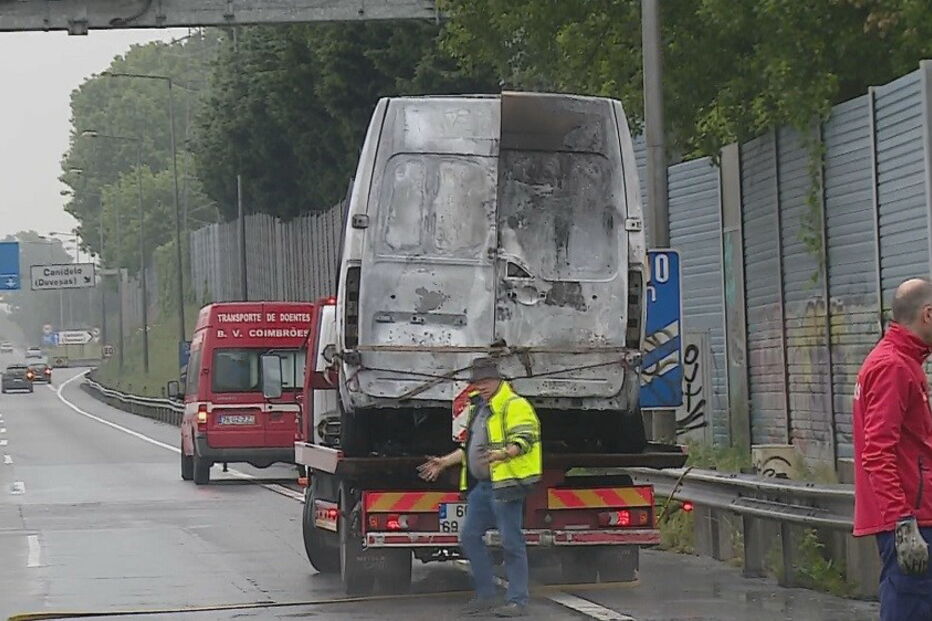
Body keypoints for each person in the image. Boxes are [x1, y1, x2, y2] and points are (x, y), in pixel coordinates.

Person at [418, 357, 541, 618]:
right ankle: (486, 595)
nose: (481, 386)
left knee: (511, 542)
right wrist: (444, 462)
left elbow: (526, 438)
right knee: (470, 536)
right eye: (477, 382)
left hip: (506, 484)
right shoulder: (480, 408)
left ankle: (517, 601)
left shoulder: (513, 405)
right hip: (483, 487)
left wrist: (504, 454)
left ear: (499, 380)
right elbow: (469, 448)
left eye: (486, 381)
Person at [854, 278, 932, 620]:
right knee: (910, 607)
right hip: (912, 520)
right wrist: (903, 522)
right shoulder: (894, 367)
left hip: (912, 515)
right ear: (928, 314)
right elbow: (877, 451)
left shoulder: (903, 362)